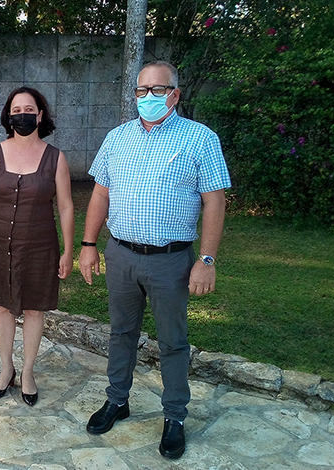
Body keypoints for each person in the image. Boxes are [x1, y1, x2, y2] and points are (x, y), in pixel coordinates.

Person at [79, 61, 231, 459]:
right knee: (120, 333)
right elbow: (100, 194)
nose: (148, 97)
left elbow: (214, 200)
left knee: (173, 343)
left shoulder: (200, 139)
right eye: (141, 90)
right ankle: (117, 400)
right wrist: (88, 243)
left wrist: (207, 259)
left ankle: (175, 416)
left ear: (175, 94)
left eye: (157, 89)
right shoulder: (117, 138)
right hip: (121, 254)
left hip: (170, 260)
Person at [0, 86, 74, 406]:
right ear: (8, 116)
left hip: (40, 246)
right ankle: (6, 369)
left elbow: (67, 206)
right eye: (16, 111)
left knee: (33, 308)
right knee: (2, 306)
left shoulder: (56, 158)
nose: (22, 116)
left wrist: (68, 250)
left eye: (28, 110)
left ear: (40, 115)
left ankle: (28, 372)